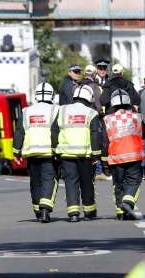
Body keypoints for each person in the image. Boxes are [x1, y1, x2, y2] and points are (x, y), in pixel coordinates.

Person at [51, 84, 104, 222]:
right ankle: (89, 212)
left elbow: (54, 131)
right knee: (87, 183)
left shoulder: (61, 110)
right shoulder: (91, 113)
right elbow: (95, 135)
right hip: (85, 155)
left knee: (71, 182)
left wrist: (55, 150)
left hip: (66, 154)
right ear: (88, 98)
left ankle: (73, 213)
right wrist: (96, 154)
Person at [12, 82, 60, 223]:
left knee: (36, 182)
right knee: (49, 180)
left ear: (36, 96)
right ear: (51, 95)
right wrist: (58, 150)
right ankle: (45, 209)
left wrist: (16, 152)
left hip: (31, 152)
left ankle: (38, 211)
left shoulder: (26, 111)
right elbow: (57, 132)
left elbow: (19, 132)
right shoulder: (56, 110)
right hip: (48, 151)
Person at [102, 89, 145, 220]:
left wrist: (104, 162)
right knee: (133, 181)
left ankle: (120, 212)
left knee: (118, 184)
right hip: (134, 155)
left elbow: (104, 141)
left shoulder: (108, 119)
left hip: (116, 156)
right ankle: (127, 202)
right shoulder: (137, 116)